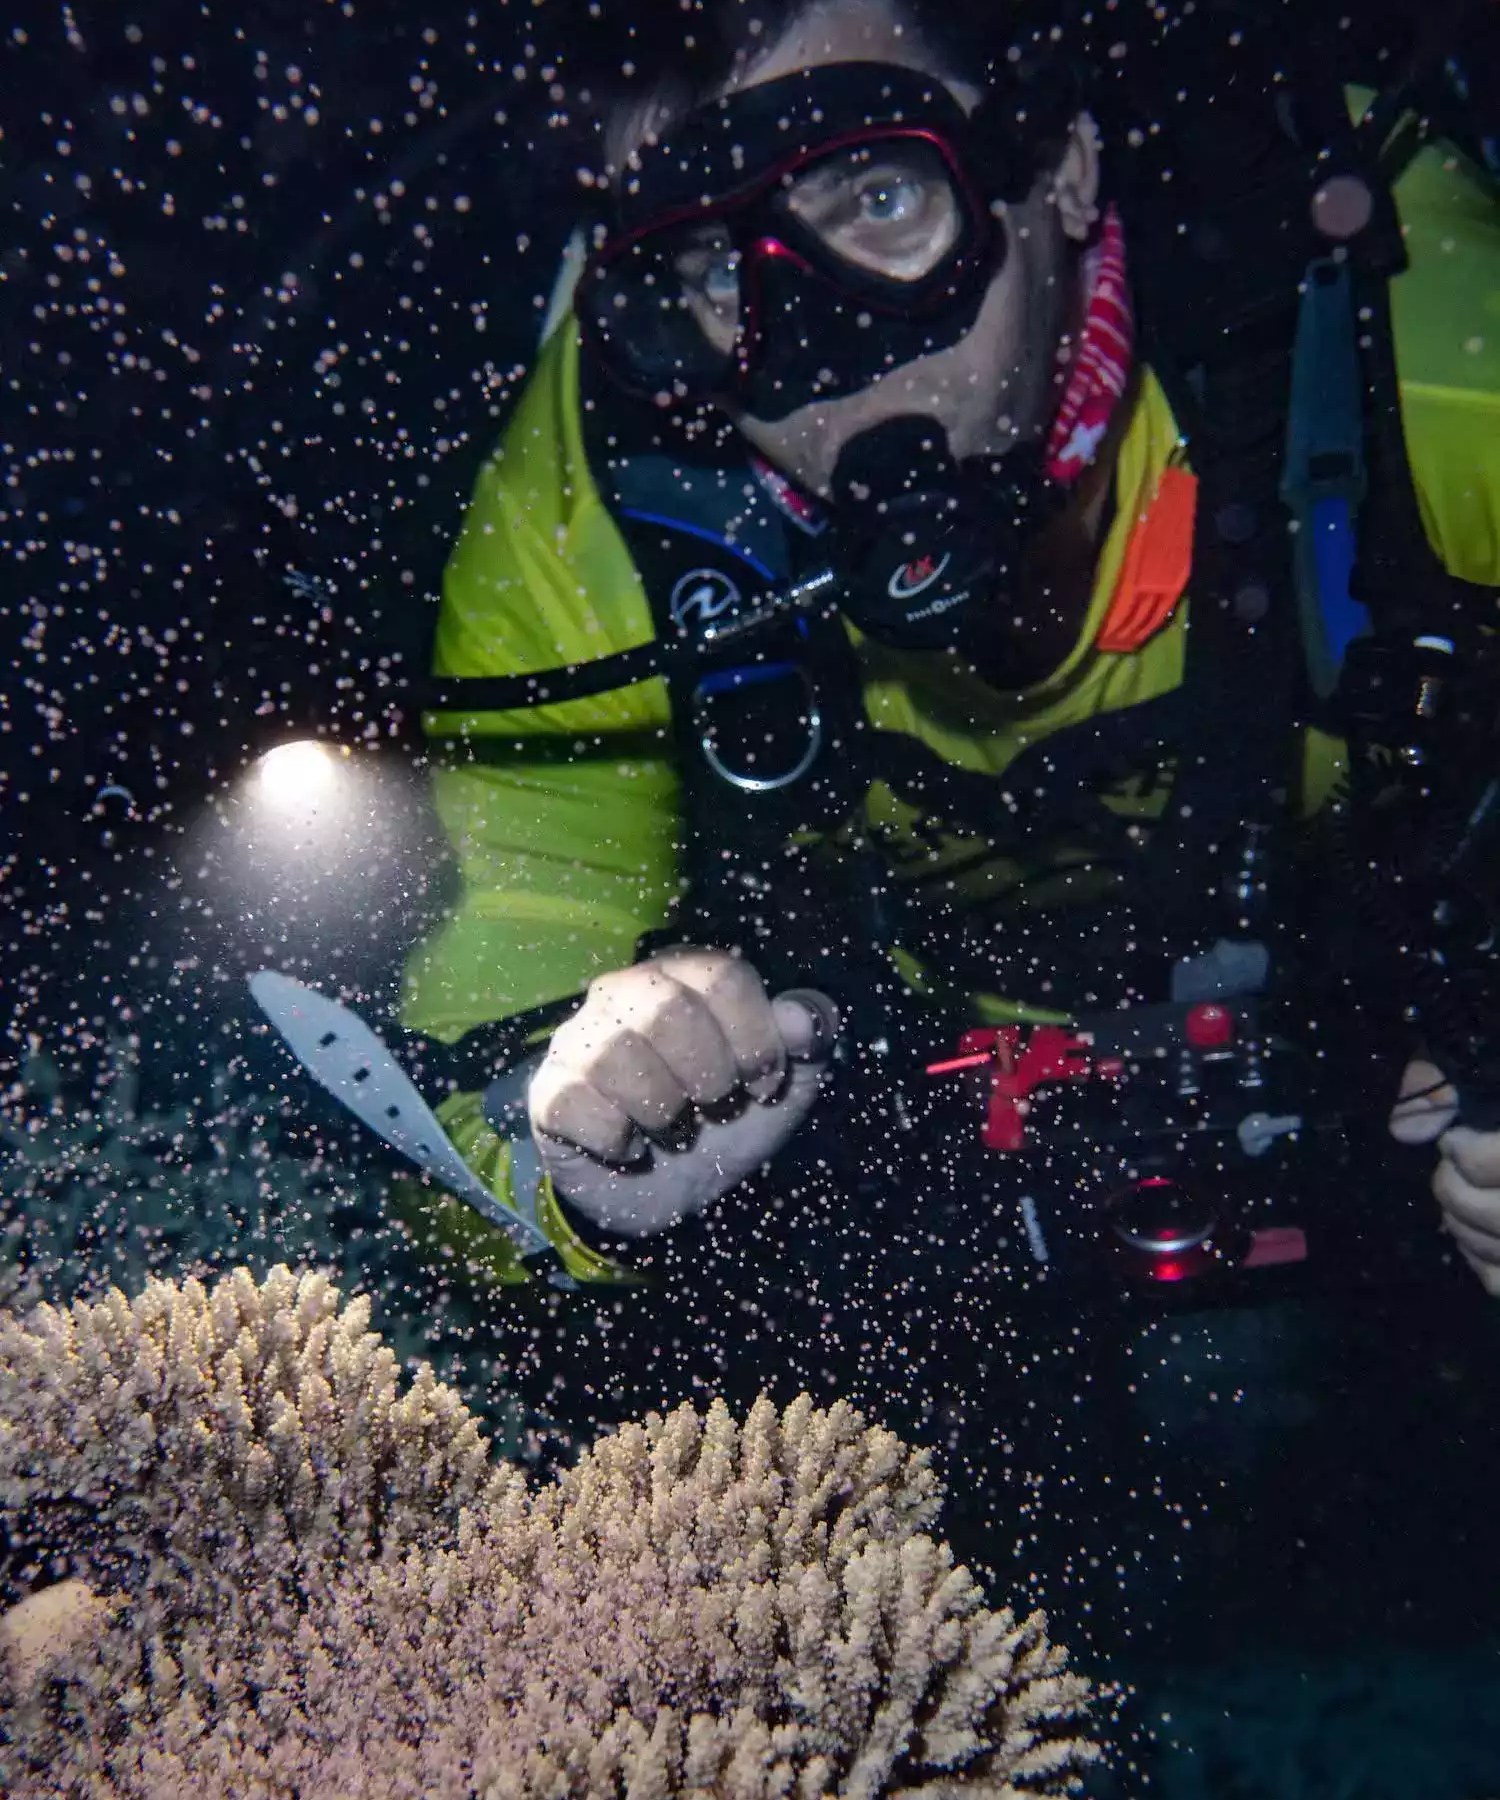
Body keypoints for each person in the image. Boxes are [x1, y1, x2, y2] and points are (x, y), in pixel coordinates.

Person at [396, 0, 1500, 1306]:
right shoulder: (591, 524)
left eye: (878, 197)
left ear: (1064, 168)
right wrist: (566, 1165)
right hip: (924, 1110)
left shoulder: (1422, 370)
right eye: (709, 273)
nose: (821, 364)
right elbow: (455, 1083)